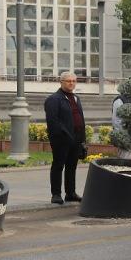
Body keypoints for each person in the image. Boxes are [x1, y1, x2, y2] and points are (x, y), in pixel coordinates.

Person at [44, 72, 86, 204]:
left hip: (77, 138)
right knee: (58, 166)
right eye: (68, 81)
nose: (71, 83)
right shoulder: (53, 99)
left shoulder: (76, 98)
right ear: (61, 82)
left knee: (71, 167)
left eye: (74, 81)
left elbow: (80, 118)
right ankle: (56, 194)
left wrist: (82, 139)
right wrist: (62, 135)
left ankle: (70, 193)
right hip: (61, 140)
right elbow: (53, 122)